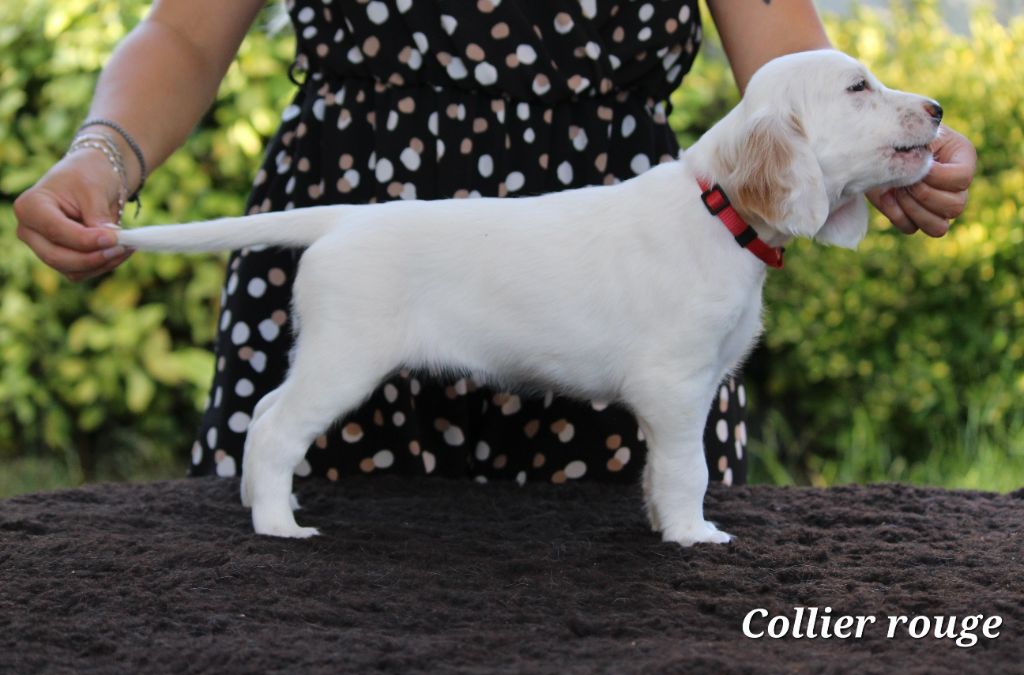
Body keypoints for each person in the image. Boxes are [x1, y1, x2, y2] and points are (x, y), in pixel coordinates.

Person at [14, 1, 976, 488]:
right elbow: (184, 35)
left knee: (639, 620)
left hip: (633, 268)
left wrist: (889, 152)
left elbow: (795, 72)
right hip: (365, 235)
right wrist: (101, 155)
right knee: (289, 617)